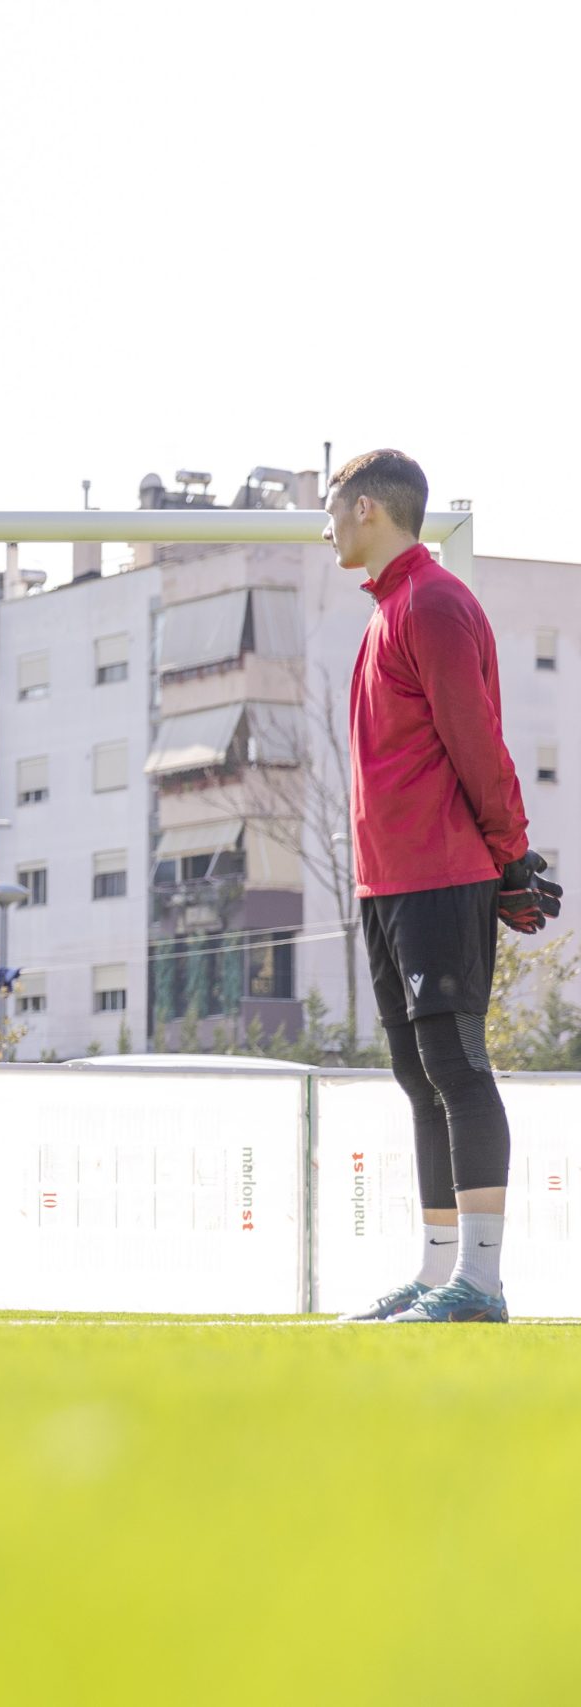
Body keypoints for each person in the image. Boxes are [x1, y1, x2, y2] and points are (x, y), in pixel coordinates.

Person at [325, 450, 560, 1324]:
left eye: (335, 510)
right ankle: (434, 1277)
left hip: (442, 874)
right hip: (387, 884)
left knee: (457, 1066)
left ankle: (482, 1285)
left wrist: (509, 859)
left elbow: (477, 739)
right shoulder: (387, 610)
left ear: (371, 511)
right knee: (417, 1077)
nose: (327, 527)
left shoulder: (433, 603)